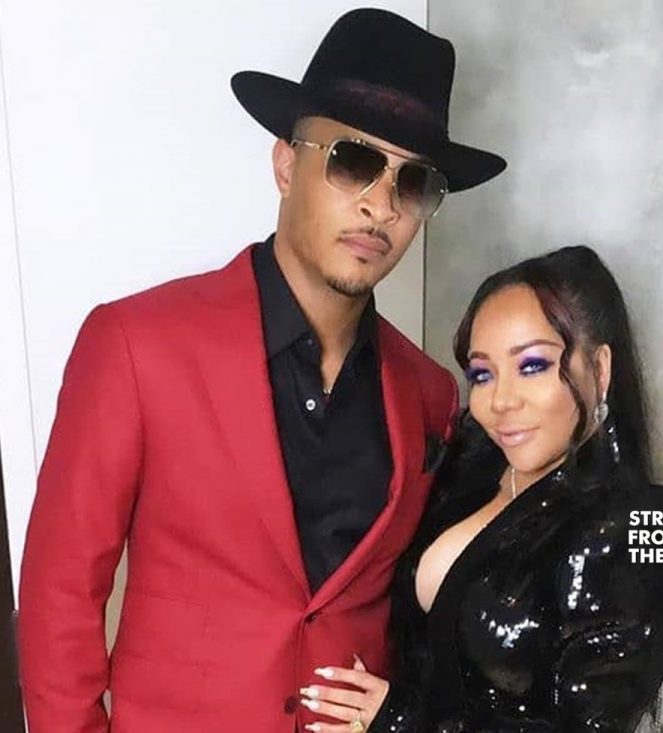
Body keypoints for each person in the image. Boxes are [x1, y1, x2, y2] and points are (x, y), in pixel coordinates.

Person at [16, 9, 506, 733]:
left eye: (413, 183)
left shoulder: (429, 394)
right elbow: (59, 594)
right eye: (353, 160)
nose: (379, 204)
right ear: (285, 164)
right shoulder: (135, 345)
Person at [300, 246, 663, 732]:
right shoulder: (469, 469)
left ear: (600, 370)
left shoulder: (642, 528)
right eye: (482, 374)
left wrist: (399, 719)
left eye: (532, 365)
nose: (500, 401)